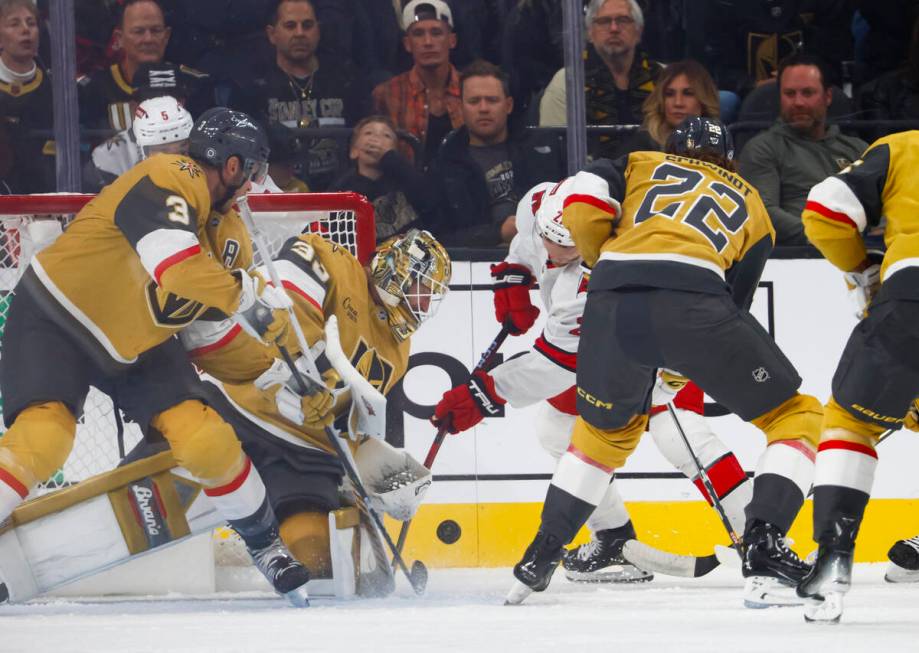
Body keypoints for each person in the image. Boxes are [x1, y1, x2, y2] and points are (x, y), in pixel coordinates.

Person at [0, 107, 315, 606]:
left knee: (206, 438)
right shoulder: (169, 173)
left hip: (139, 345)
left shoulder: (230, 236)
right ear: (231, 166)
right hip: (57, 318)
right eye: (253, 171)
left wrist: (272, 373)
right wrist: (247, 296)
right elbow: (177, 268)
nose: (255, 184)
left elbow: (205, 338)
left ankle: (266, 546)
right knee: (45, 438)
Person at [504, 117, 823, 608]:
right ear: (731, 162)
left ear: (668, 147)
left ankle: (538, 558)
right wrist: (677, 365)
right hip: (697, 301)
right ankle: (763, 543)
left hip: (611, 303)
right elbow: (736, 301)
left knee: (601, 435)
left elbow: (584, 210)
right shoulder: (754, 203)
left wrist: (604, 264)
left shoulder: (635, 164)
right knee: (795, 415)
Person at [432, 178, 753, 583]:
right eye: (549, 238)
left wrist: (484, 394)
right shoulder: (539, 201)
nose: (553, 252)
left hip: (664, 351)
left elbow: (557, 363)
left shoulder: (590, 277)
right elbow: (529, 243)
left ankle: (762, 535)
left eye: (567, 247)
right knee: (556, 428)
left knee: (680, 435)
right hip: (602, 353)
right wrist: (515, 276)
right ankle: (613, 539)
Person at [180, 228, 450, 586]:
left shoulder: (398, 350)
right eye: (421, 287)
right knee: (139, 502)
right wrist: (316, 373)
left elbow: (354, 418)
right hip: (237, 407)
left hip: (304, 455)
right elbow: (278, 304)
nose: (424, 302)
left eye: (431, 295)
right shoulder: (330, 259)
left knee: (315, 560)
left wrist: (378, 465)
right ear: (394, 268)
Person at [796, 131, 919, 622]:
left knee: (851, 422)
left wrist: (862, 269)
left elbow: (825, 212)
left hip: (911, 291)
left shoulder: (905, 145)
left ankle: (832, 558)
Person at [228, 0, 371, 190]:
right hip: (278, 193)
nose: (300, 33)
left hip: (342, 190)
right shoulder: (251, 86)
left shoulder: (346, 79)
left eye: (307, 25)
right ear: (272, 34)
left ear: (318, 30)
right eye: (290, 25)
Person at [429, 60, 565, 247]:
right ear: (460, 107)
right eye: (474, 101)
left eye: (492, 100)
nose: (483, 108)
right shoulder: (445, 163)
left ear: (508, 105)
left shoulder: (543, 149)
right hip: (476, 264)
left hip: (546, 252)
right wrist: (498, 233)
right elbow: (439, 239)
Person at [738, 53, 867, 246]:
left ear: (828, 96)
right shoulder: (762, 148)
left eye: (807, 93)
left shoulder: (859, 149)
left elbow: (885, 208)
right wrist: (828, 239)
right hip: (797, 258)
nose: (798, 102)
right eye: (789, 94)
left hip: (865, 253)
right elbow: (764, 212)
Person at [538, 0, 663, 159]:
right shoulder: (567, 82)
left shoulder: (664, 78)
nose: (614, 28)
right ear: (590, 32)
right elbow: (552, 151)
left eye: (623, 20)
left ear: (639, 31)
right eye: (604, 21)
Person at [77, 0, 211, 131]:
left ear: (166, 36)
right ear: (119, 38)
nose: (148, 39)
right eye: (138, 31)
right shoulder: (92, 91)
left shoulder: (194, 85)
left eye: (156, 30)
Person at [371, 0, 464, 168]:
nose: (428, 42)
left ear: (452, 40)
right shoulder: (386, 94)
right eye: (418, 34)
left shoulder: (471, 89)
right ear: (407, 44)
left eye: (436, 33)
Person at [329, 115, 438, 241]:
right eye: (368, 133)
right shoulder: (343, 188)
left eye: (386, 136)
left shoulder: (406, 179)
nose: (376, 139)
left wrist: (390, 159)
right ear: (354, 151)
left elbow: (430, 201)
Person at [84, 94, 193, 191]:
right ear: (142, 150)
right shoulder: (108, 162)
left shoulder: (203, 168)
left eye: (182, 152)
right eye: (163, 152)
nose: (173, 163)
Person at [613, 59, 720, 157]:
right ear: (661, 101)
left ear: (704, 100)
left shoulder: (721, 145)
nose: (678, 103)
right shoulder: (640, 148)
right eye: (669, 94)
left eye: (688, 94)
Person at [0, 0, 53, 193]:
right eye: (14, 24)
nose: (26, 30)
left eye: (31, 23)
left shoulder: (55, 89)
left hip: (44, 196)